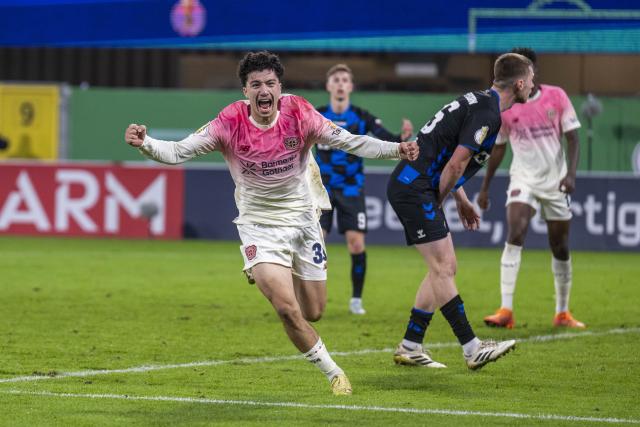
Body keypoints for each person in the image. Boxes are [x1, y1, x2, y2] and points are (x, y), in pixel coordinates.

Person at [123, 51, 419, 395]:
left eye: (270, 83)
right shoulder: (229, 122)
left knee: (314, 310)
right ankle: (335, 373)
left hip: (303, 219)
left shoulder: (300, 113)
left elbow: (350, 141)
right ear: (245, 91)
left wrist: (396, 149)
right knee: (286, 309)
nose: (264, 90)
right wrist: (146, 143)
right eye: (255, 85)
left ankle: (271, 267)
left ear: (280, 87)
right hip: (259, 225)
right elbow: (177, 152)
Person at [386, 52, 534, 370]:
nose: (532, 85)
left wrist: (460, 197)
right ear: (520, 82)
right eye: (531, 79)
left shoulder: (480, 102)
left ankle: (411, 345)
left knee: (445, 266)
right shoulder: (489, 112)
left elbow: (448, 155)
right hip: (414, 186)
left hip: (416, 183)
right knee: (443, 267)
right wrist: (438, 200)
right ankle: (471, 348)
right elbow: (455, 164)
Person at [479, 48, 585, 329]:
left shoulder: (557, 97)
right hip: (523, 179)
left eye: (530, 70)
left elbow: (573, 138)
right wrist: (486, 187)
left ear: (533, 72)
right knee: (515, 232)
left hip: (555, 182)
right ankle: (505, 309)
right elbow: (499, 149)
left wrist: (571, 175)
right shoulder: (507, 106)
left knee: (560, 246)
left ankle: (562, 312)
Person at [315, 63, 414, 315]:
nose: (340, 83)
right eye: (335, 79)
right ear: (328, 86)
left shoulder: (361, 116)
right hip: (320, 191)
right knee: (316, 244)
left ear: (350, 87)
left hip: (351, 189)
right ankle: (313, 297)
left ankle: (356, 299)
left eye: (344, 80)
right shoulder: (316, 116)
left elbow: (386, 138)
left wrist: (401, 138)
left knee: (356, 244)